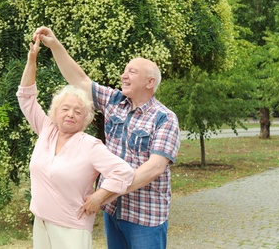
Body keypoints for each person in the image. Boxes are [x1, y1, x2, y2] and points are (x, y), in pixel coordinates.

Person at [33, 26, 181, 249]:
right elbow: (80, 80)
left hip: (145, 215)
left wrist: (104, 193)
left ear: (150, 82)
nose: (124, 75)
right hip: (113, 212)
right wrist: (54, 44)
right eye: (124, 70)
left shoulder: (165, 119)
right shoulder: (115, 102)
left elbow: (155, 168)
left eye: (132, 71)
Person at [17, 35, 135, 249]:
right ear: (55, 112)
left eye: (77, 111)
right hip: (41, 223)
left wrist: (99, 196)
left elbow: (123, 172)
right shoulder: (47, 130)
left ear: (85, 119)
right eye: (65, 109)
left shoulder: (89, 145)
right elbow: (26, 98)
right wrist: (31, 60)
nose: (70, 114)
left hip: (72, 228)